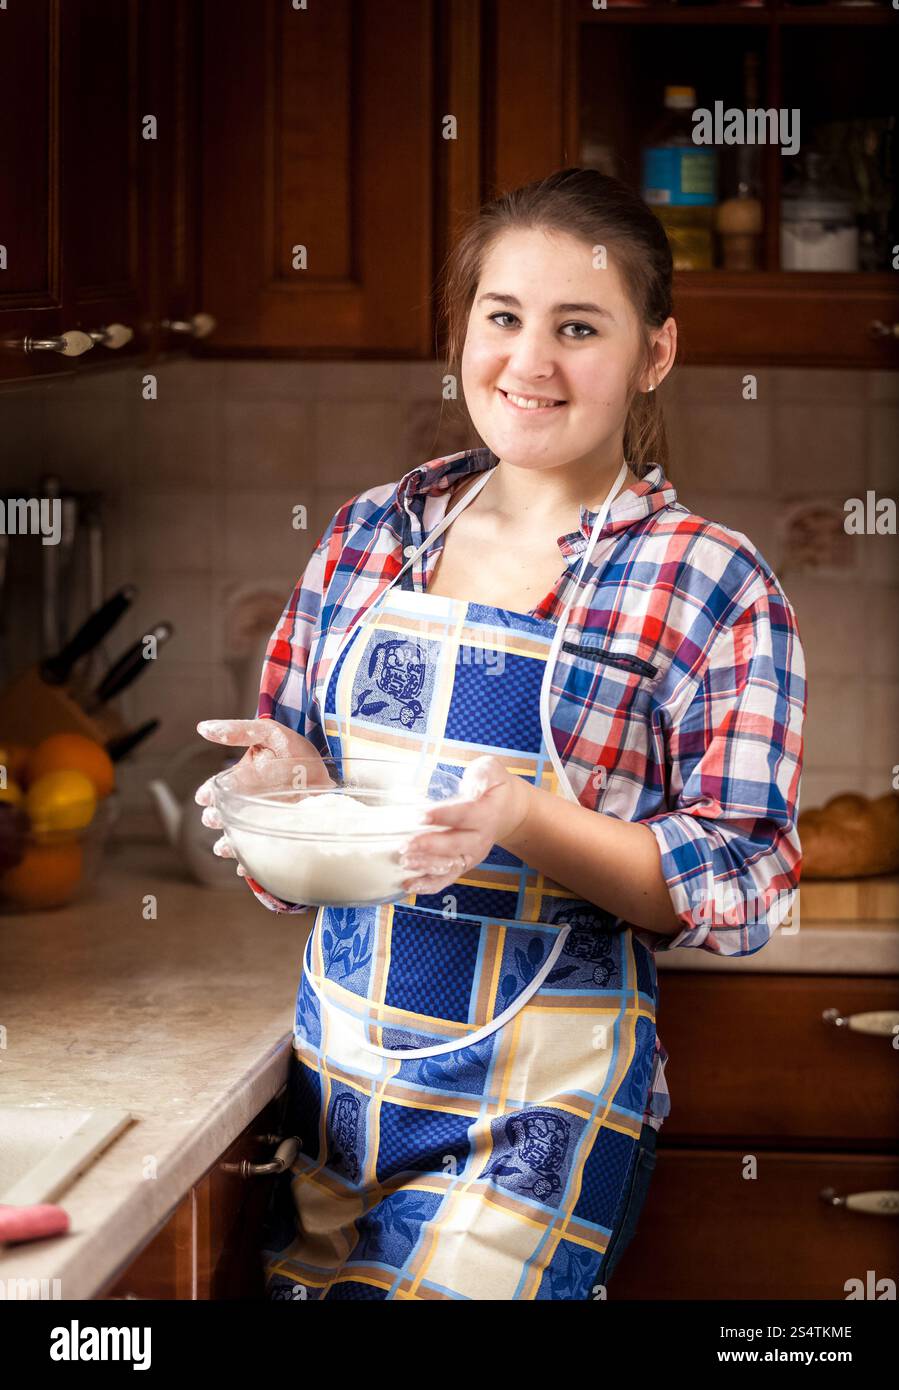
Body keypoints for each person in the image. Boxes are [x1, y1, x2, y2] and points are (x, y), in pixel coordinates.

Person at [195, 168, 806, 1301]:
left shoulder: (706, 582)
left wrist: (525, 818)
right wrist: (285, 786)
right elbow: (309, 836)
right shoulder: (371, 536)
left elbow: (741, 879)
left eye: (578, 327)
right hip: (343, 1092)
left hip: (543, 1114)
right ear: (462, 332)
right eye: (502, 318)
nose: (529, 363)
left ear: (653, 354)